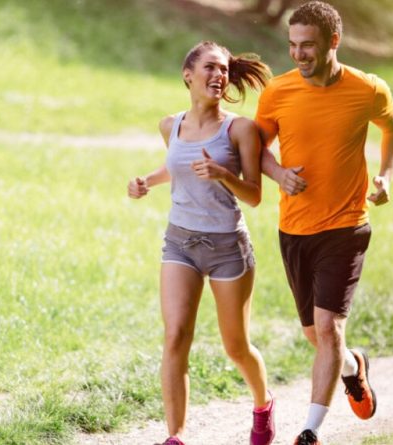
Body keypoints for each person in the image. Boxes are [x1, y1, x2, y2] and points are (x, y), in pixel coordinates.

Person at [255, 2, 393, 444]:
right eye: (293, 46)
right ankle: (353, 368)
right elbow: (257, 147)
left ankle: (310, 430)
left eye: (309, 46)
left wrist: (386, 176)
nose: (299, 55)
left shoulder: (367, 88)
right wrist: (278, 173)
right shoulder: (277, 92)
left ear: (333, 42)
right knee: (315, 335)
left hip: (346, 225)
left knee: (327, 328)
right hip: (294, 228)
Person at [128, 41, 274, 445]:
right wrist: (146, 181)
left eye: (224, 70)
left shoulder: (240, 128)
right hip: (180, 242)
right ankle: (175, 436)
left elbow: (254, 195)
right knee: (175, 336)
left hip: (228, 247)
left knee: (236, 347)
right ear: (188, 75)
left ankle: (263, 404)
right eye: (210, 67)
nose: (220, 75)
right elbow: (178, 167)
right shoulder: (169, 125)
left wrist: (222, 174)